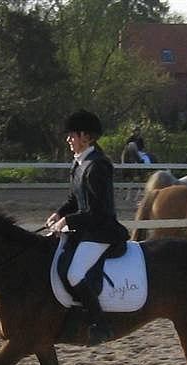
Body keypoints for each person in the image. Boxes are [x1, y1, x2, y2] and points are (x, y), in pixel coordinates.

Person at [46, 109, 129, 346]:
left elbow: (97, 211)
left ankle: (100, 324)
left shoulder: (97, 166)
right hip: (85, 228)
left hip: (102, 231)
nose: (68, 139)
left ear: (86, 137)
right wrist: (59, 213)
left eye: (72, 135)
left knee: (73, 273)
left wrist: (67, 222)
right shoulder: (80, 163)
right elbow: (75, 199)